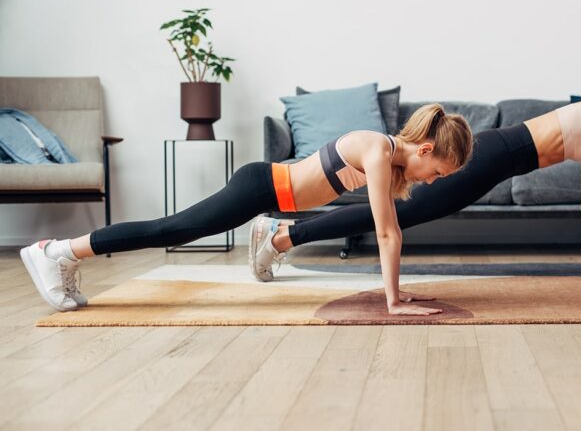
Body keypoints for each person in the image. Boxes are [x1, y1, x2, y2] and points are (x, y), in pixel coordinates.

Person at [21, 104, 473, 316]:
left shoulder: (389, 160)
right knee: (171, 229)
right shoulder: (377, 152)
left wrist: (396, 292)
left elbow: (384, 225)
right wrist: (393, 301)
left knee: (173, 228)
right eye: (436, 172)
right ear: (426, 148)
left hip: (272, 196)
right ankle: (56, 251)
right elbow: (389, 232)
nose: (431, 181)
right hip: (261, 186)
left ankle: (271, 236)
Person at [253, 100, 581, 286]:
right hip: (496, 154)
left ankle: (284, 236)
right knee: (395, 213)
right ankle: (281, 237)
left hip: (499, 159)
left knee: (394, 212)